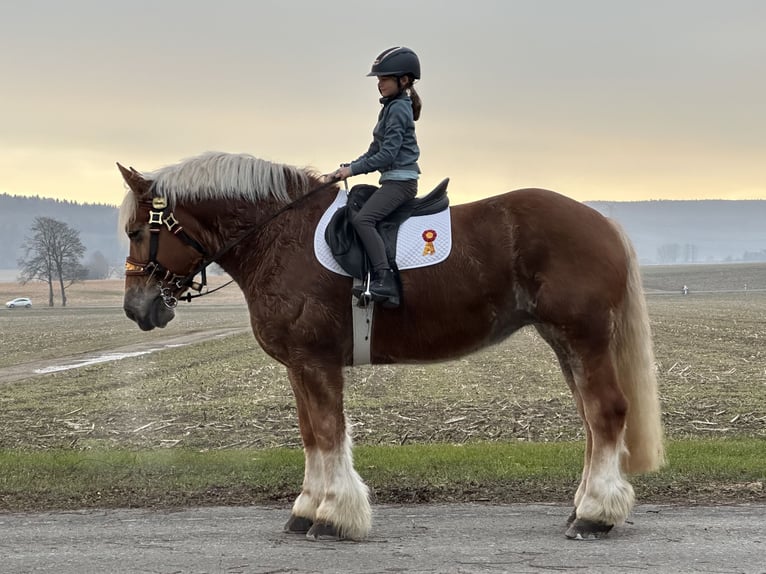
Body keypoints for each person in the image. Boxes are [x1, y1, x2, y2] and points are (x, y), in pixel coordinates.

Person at [333, 46, 422, 305]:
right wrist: (345, 169)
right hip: (392, 180)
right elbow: (374, 150)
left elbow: (387, 156)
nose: (379, 84)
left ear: (403, 80)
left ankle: (385, 280)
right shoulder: (389, 108)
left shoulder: (398, 109)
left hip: (401, 183)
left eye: (384, 78)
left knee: (363, 220)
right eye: (379, 79)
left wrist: (353, 170)